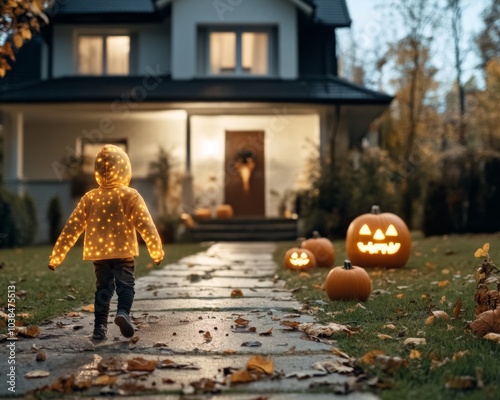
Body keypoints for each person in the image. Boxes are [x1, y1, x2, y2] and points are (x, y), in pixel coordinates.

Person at [48, 144, 164, 340]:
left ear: (98, 170)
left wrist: (57, 256)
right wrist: (156, 251)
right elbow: (146, 225)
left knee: (103, 289)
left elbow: (71, 228)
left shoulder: (90, 198)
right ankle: (123, 313)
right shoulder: (131, 195)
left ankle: (99, 328)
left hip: (100, 254)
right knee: (126, 285)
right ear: (125, 169)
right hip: (123, 251)